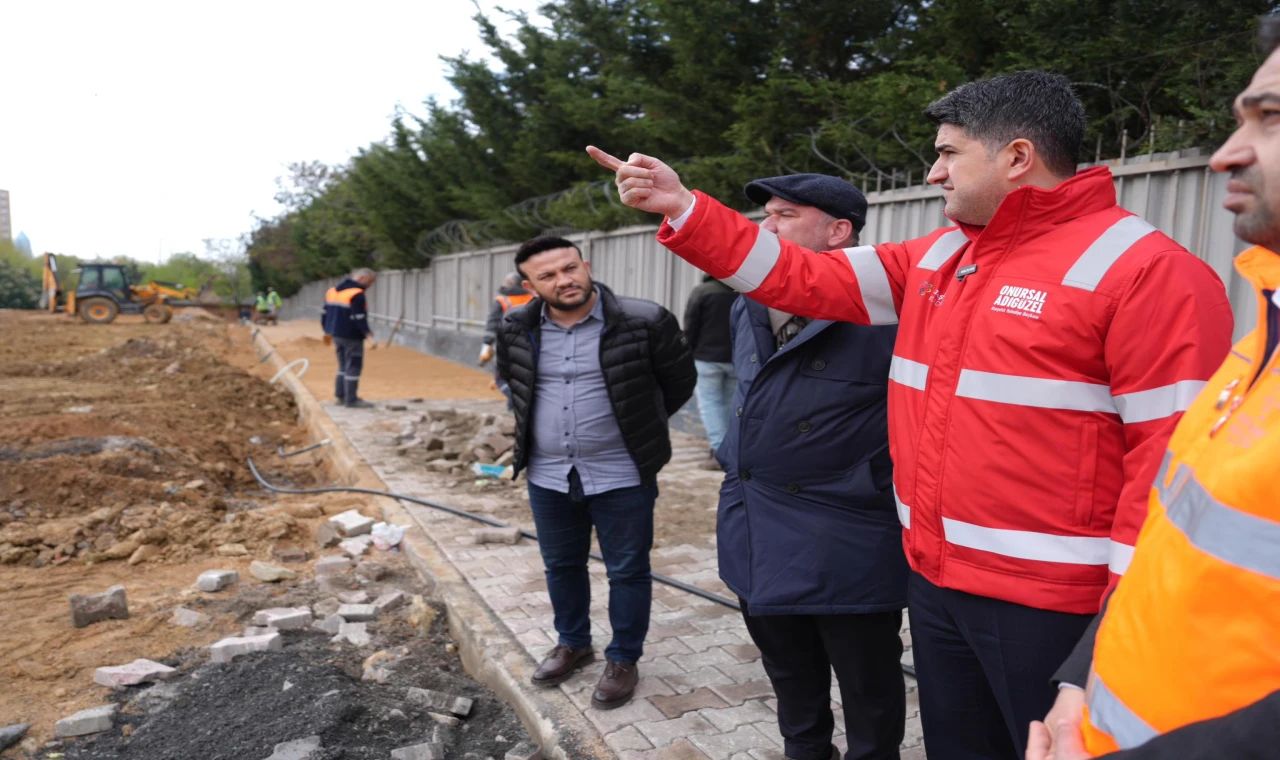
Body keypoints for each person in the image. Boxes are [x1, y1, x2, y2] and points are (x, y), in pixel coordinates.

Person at [588, 69, 1234, 760]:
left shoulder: (1147, 273)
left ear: (1017, 156)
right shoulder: (941, 257)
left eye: (949, 152)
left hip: (1056, 609)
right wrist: (684, 208)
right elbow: (799, 275)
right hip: (935, 583)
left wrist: (1120, 630)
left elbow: (1174, 472)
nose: (933, 172)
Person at [1027, 17, 1280, 760]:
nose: (1225, 154)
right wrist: (1082, 679)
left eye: (1271, 117)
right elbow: (1177, 543)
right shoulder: (1261, 333)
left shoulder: (1153, 276)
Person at [719, 173, 907, 760]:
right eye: (765, 216)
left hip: (846, 532)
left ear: (837, 231)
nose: (765, 228)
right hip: (758, 526)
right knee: (792, 683)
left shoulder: (889, 315)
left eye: (784, 215)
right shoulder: (747, 304)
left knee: (869, 690)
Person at [494, 236, 696, 710]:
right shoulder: (515, 326)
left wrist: (639, 424)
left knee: (627, 570)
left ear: (585, 265)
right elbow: (512, 379)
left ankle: (623, 658)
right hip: (549, 474)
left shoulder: (644, 320)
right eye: (548, 276)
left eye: (570, 268)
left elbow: (679, 381)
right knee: (561, 564)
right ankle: (573, 643)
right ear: (530, 285)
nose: (564, 280)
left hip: (623, 472)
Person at [683, 273, 738, 469]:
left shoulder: (702, 292)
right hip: (736, 359)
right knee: (731, 405)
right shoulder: (742, 291)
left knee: (711, 405)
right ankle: (732, 451)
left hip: (707, 359)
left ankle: (718, 453)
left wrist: (687, 352)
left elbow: (690, 326)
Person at [322, 268, 378, 409]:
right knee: (353, 366)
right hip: (352, 335)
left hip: (336, 335)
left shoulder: (332, 292)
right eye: (370, 281)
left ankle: (340, 396)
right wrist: (368, 333)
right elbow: (358, 317)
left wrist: (327, 331)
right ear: (362, 278)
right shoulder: (357, 294)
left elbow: (324, 314)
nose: (370, 285)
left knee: (342, 366)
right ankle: (351, 400)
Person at [479, 271, 534, 407]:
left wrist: (486, 346)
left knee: (502, 379)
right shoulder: (533, 298)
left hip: (508, 346)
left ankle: (516, 404)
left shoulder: (502, 300)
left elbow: (492, 324)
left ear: (509, 283)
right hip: (531, 345)